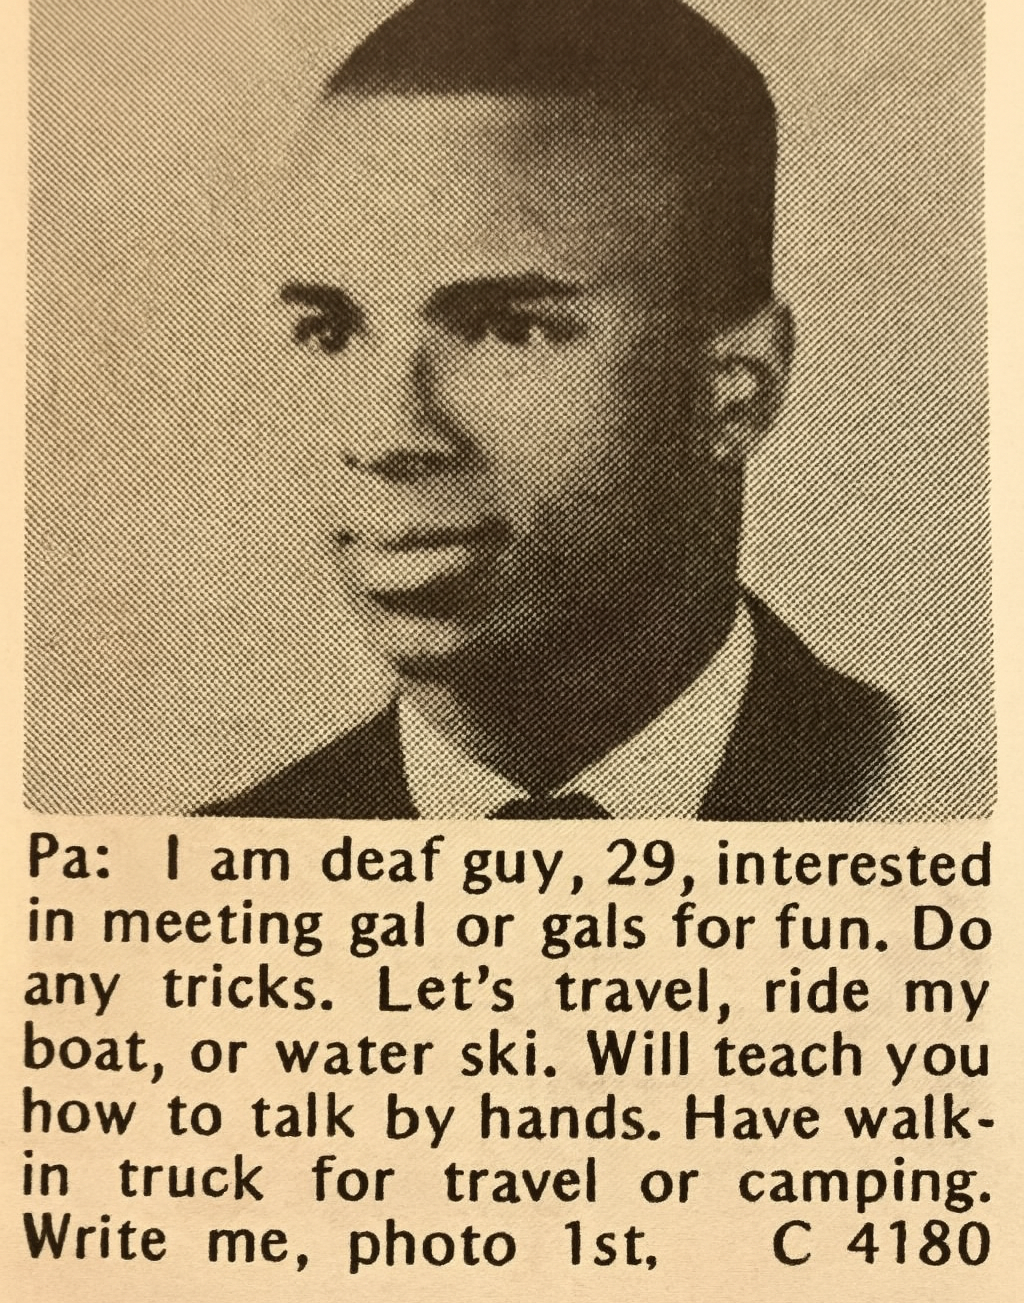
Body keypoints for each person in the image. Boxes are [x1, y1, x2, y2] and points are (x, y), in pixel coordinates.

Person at [200, 0, 899, 821]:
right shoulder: (212, 863)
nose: (385, 435)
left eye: (507, 328)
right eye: (331, 331)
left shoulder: (937, 800)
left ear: (735, 388)